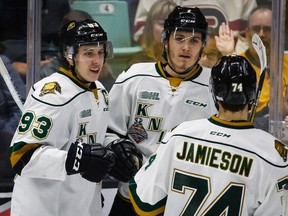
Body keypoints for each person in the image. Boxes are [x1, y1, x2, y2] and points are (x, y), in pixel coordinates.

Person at [129, 55, 288, 215]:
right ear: (253, 94)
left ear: (213, 90)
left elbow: (144, 204)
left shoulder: (181, 135)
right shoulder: (274, 155)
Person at [105, 6, 217, 215]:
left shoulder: (214, 87)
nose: (186, 47)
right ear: (166, 41)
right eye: (179, 38)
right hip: (132, 194)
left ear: (203, 45)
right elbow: (108, 130)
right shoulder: (135, 77)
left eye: (194, 40)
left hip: (184, 202)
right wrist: (116, 147)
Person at [9, 19, 119, 216]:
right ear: (70, 56)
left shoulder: (100, 90)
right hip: (45, 207)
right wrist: (73, 159)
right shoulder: (51, 94)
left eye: (100, 52)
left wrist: (115, 146)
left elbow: (92, 140)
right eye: (88, 53)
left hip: (80, 203)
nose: (97, 61)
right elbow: (21, 156)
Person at [133, 0, 257, 53]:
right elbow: (145, 36)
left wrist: (228, 60)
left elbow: (249, 39)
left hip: (222, 67)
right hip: (171, 70)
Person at [240, 6, 288, 131]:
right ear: (246, 32)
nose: (261, 34)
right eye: (256, 29)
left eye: (267, 29)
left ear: (278, 32)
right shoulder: (237, 65)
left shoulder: (287, 62)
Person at [128, 0, 177, 66]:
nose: (168, 29)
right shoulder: (138, 65)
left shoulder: (189, 62)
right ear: (150, 28)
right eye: (162, 23)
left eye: (174, 24)